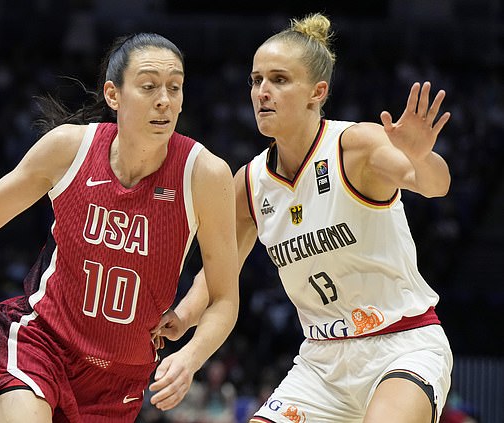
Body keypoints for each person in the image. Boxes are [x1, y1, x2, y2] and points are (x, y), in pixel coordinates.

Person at [0, 33, 239, 422]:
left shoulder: (204, 174)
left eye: (175, 87)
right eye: (149, 86)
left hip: (120, 377)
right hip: (44, 342)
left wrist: (191, 356)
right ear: (113, 95)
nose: (164, 100)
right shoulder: (69, 148)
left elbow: (224, 298)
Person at [154, 13, 453, 423]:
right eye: (256, 80)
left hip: (401, 344)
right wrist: (184, 316)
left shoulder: (355, 146)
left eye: (279, 80)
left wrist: (421, 154)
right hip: (322, 364)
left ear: (317, 91)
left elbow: (435, 184)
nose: (262, 92)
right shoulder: (252, 182)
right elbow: (219, 270)